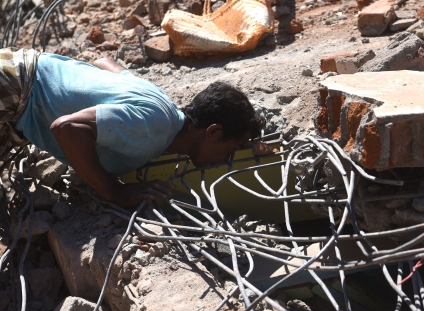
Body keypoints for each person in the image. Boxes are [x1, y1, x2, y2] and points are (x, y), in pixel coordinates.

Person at [0, 48, 264, 208]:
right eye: (231, 149)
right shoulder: (153, 126)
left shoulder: (165, 108)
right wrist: (113, 191)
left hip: (21, 90)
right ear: (213, 132)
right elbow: (67, 127)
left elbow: (106, 64)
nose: (227, 159)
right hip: (15, 85)